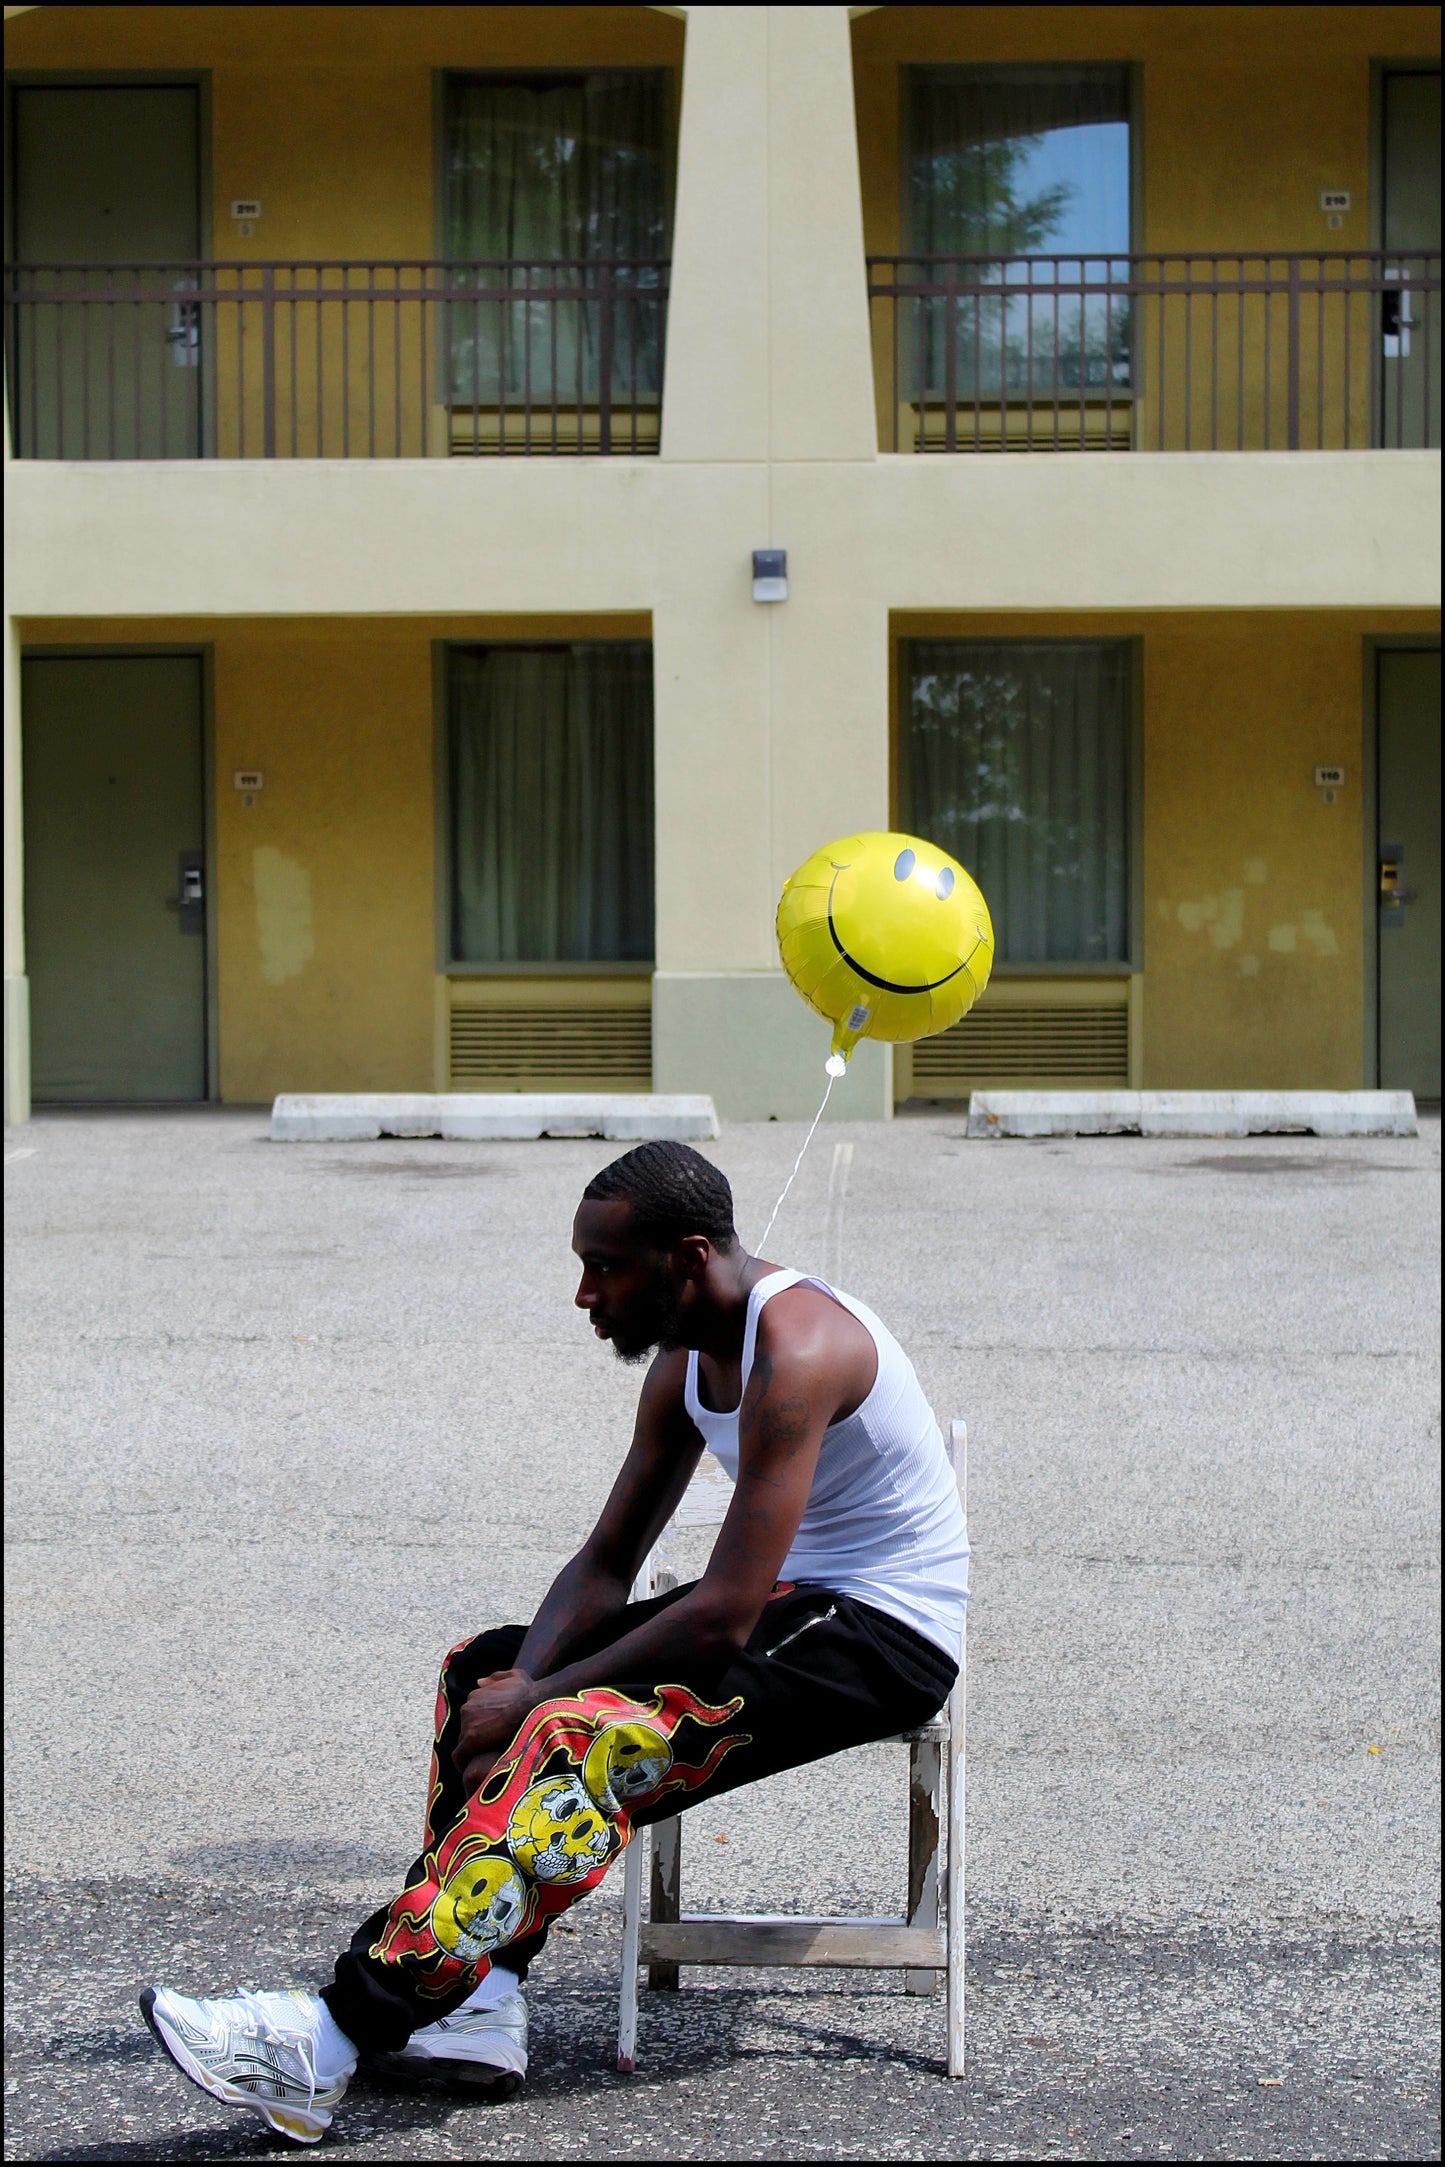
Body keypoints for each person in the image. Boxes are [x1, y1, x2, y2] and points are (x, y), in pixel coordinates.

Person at [140, 1141, 967, 2144]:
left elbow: (720, 1617)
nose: (584, 1293)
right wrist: (518, 1677)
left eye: (606, 1266)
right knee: (481, 1666)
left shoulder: (797, 1351)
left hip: (879, 1633)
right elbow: (608, 1556)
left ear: (689, 1255)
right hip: (783, 1602)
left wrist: (537, 1703)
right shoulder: (683, 1367)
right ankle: (479, 1993)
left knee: (574, 1734)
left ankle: (329, 2037)